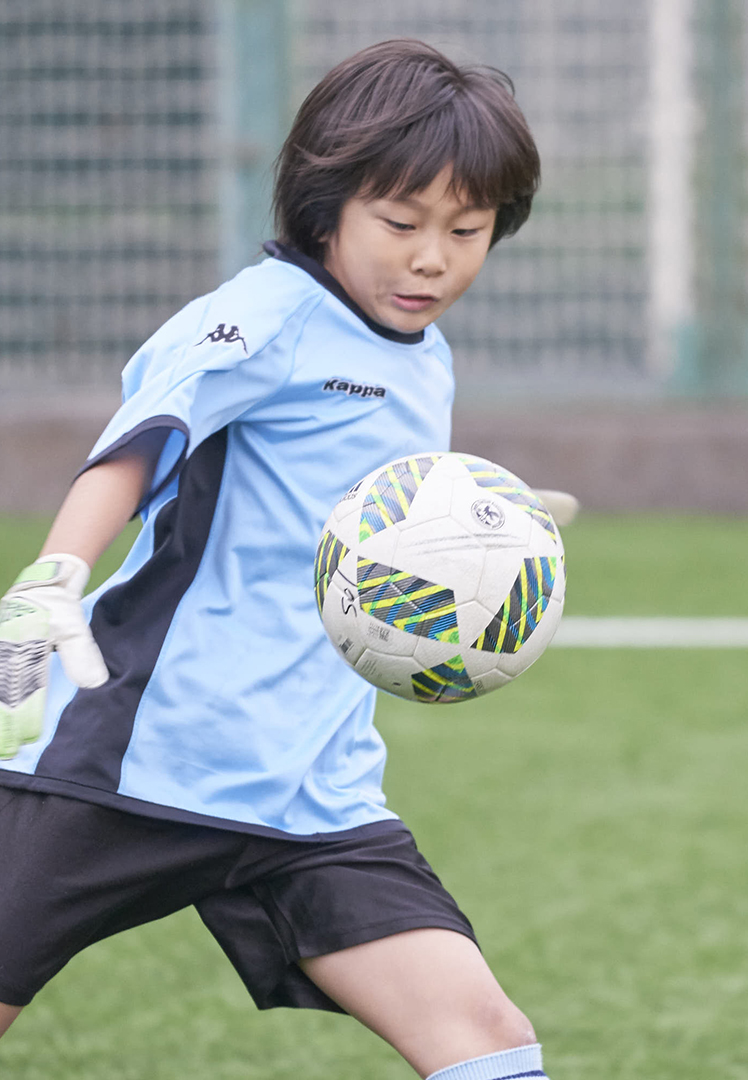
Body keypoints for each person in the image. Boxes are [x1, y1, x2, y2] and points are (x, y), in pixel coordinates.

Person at [0, 39, 552, 1080]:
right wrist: (52, 579)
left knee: (486, 1043)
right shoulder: (264, 318)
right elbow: (141, 440)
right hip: (135, 762)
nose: (433, 258)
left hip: (311, 789)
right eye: (401, 224)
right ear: (323, 205)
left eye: (467, 231)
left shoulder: (423, 356)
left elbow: (363, 520)